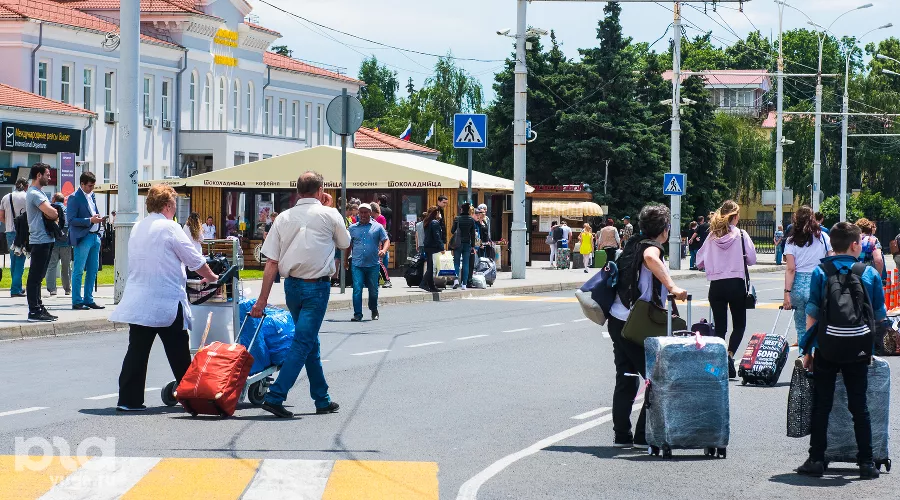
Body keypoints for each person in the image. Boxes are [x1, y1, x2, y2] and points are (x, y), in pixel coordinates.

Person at [249, 171, 350, 418]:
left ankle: (322, 398)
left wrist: (262, 300)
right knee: (303, 341)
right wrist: (330, 208)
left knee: (310, 341)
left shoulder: (283, 218)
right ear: (320, 190)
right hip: (317, 287)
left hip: (291, 286)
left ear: (297, 191)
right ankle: (276, 396)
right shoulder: (330, 214)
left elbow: (271, 262)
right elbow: (345, 243)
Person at [111, 184, 218, 411]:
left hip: (139, 300)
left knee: (137, 352)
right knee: (178, 352)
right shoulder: (170, 227)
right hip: (166, 300)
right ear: (168, 205)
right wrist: (212, 276)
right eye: (174, 205)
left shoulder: (138, 226)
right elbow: (194, 259)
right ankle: (190, 396)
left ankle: (129, 400)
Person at [796, 221, 885, 480]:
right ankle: (866, 463)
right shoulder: (868, 274)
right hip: (858, 349)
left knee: (822, 404)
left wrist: (808, 350)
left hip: (827, 347)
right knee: (860, 406)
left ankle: (816, 459)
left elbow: (811, 315)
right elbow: (879, 317)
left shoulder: (821, 272)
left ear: (833, 244)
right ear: (855, 244)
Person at [608, 203, 688, 448]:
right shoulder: (652, 248)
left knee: (626, 376)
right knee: (657, 377)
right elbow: (651, 259)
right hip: (636, 326)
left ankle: (622, 435)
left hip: (617, 319)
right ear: (665, 229)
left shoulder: (632, 243)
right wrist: (673, 286)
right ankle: (643, 435)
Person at [696, 200, 758, 379]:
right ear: (736, 216)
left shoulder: (711, 236)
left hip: (716, 285)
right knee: (739, 325)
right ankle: (730, 355)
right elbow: (752, 259)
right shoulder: (741, 235)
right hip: (736, 284)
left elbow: (699, 261)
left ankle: (720, 360)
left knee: (720, 327)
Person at [783, 206, 833, 345]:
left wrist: (787, 293)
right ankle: (814, 354)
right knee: (818, 322)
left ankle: (803, 355)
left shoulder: (791, 240)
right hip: (818, 282)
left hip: (798, 285)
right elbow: (830, 260)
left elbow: (791, 269)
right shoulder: (823, 237)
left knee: (800, 325)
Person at [25, 164, 59, 322]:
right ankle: (34, 311)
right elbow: (52, 212)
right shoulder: (34, 193)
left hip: (45, 238)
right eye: (47, 174)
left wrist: (54, 214)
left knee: (39, 276)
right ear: (38, 175)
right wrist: (54, 213)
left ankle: (38, 306)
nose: (49, 177)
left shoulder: (39, 192)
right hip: (39, 240)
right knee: (35, 277)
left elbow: (52, 213)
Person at [67, 172, 106, 311]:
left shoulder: (92, 196)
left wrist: (98, 220)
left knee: (93, 269)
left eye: (93, 186)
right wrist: (90, 220)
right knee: (78, 270)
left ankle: (88, 299)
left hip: (94, 236)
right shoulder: (74, 198)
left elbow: (91, 212)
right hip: (83, 237)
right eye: (89, 186)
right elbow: (70, 220)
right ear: (82, 184)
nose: (91, 188)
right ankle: (77, 301)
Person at [349, 203, 389, 321]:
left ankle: (374, 309)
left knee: (373, 290)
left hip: (372, 264)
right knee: (357, 288)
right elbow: (348, 245)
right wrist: (346, 260)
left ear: (370, 213)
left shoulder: (377, 227)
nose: (363, 215)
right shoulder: (352, 228)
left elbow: (386, 240)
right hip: (357, 264)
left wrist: (383, 250)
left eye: (366, 212)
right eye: (361, 212)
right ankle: (357, 314)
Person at [0, 178, 27, 297]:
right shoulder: (26, 197)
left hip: (9, 232)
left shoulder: (6, 197)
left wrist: (9, 223)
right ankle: (15, 289)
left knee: (14, 260)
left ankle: (17, 287)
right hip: (22, 233)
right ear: (26, 186)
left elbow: (1, 216)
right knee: (20, 260)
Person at [45, 193, 72, 296]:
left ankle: (52, 289)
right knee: (66, 267)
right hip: (66, 242)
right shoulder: (67, 210)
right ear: (63, 201)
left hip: (53, 241)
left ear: (54, 199)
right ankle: (67, 289)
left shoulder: (50, 209)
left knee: (52, 265)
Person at [451, 203, 476, 290]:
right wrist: (473, 245)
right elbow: (473, 234)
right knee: (466, 263)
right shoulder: (471, 220)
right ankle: (464, 284)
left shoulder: (457, 219)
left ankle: (456, 280)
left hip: (457, 243)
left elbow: (452, 231)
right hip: (467, 244)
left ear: (461, 209)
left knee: (456, 262)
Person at [421, 206, 444, 293]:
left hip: (428, 246)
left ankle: (432, 286)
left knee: (431, 266)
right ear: (436, 213)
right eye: (438, 212)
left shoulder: (428, 221)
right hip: (433, 247)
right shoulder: (434, 222)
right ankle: (423, 283)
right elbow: (437, 236)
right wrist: (441, 247)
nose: (440, 214)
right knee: (431, 267)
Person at [370, 203, 391, 288]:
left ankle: (387, 280)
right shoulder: (370, 219)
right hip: (370, 243)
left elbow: (383, 231)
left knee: (379, 262)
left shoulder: (379, 219)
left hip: (378, 243)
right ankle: (375, 280)